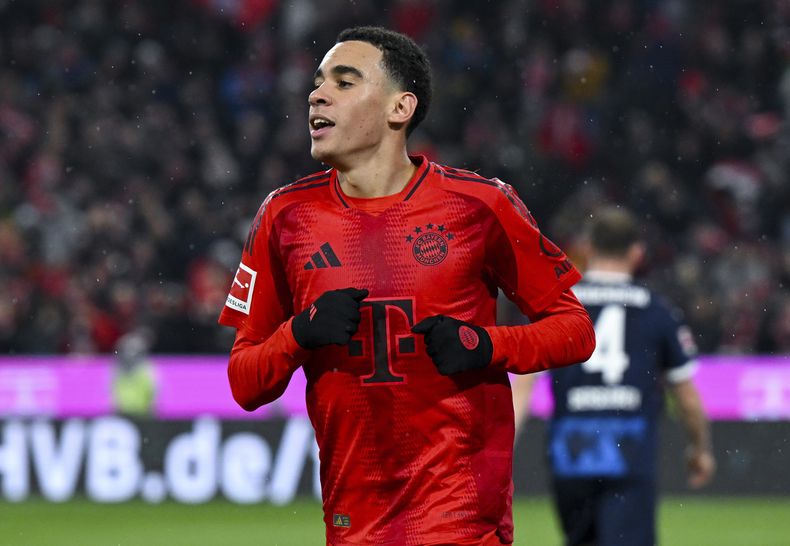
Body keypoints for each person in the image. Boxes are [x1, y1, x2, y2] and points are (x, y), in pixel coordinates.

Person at [218, 26, 595, 546]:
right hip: (353, 525)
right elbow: (244, 382)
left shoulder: (481, 206)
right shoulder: (285, 216)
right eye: (318, 81)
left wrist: (484, 345)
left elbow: (575, 330)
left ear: (400, 108)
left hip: (461, 518)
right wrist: (299, 333)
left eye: (344, 82)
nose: (316, 94)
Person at [511, 205, 716, 546]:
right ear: (637, 253)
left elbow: (523, 386)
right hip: (629, 452)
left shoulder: (559, 305)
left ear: (588, 249)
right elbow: (687, 398)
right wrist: (701, 449)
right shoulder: (656, 310)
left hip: (570, 454)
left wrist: (504, 451)